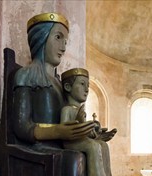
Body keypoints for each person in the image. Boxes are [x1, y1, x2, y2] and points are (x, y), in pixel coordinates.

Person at [12, 13, 95, 150]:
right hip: (39, 150)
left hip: (61, 147)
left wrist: (88, 130)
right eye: (58, 37)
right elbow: (21, 127)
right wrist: (57, 131)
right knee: (75, 160)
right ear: (40, 38)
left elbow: (68, 120)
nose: (63, 47)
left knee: (99, 147)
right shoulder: (26, 75)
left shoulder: (58, 82)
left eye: (65, 42)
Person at [60, 68, 117, 176]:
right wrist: (80, 123)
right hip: (70, 142)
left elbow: (86, 133)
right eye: (82, 84)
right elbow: (63, 129)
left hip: (81, 140)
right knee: (93, 146)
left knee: (103, 145)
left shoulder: (81, 110)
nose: (86, 89)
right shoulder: (67, 110)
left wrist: (96, 133)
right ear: (68, 87)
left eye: (88, 85)